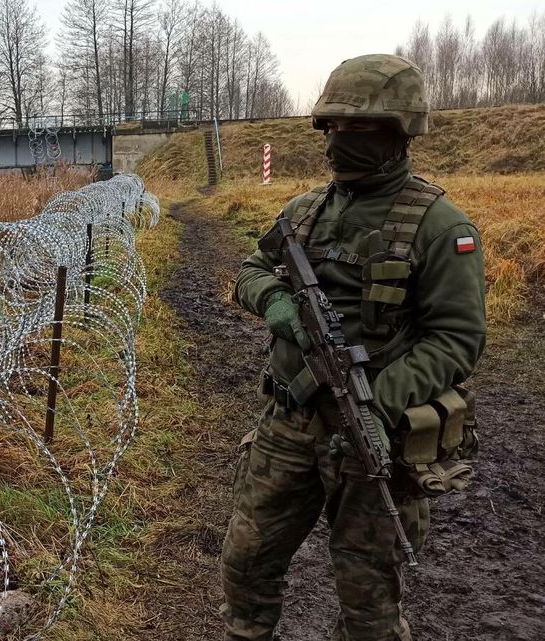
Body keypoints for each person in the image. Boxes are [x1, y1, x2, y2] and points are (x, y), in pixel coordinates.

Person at [220, 54, 487, 641]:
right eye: (333, 127)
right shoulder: (304, 211)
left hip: (374, 435)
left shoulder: (441, 227)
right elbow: (251, 269)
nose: (340, 141)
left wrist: (378, 402)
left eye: (359, 128)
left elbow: (457, 339)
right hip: (288, 422)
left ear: (400, 132)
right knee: (245, 566)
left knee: (369, 605)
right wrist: (275, 301)